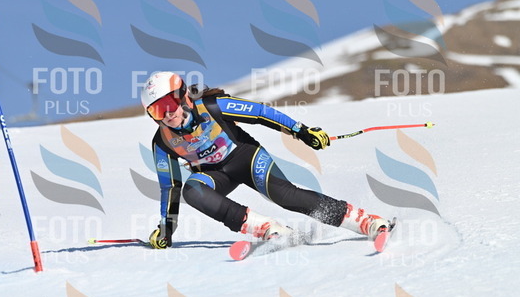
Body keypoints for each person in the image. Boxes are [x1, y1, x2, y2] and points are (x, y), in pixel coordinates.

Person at [141, 71, 390, 249]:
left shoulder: (212, 106)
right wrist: (167, 228)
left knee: (285, 195)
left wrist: (302, 131)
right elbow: (170, 187)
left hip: (245, 157)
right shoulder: (162, 142)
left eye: (168, 103)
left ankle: (365, 221)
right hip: (215, 175)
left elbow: (261, 113)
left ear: (183, 95)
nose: (167, 114)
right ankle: (268, 229)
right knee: (193, 190)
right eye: (156, 110)